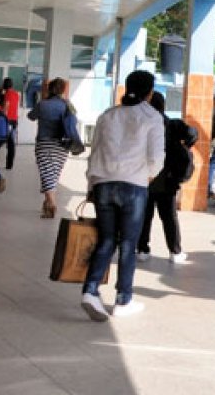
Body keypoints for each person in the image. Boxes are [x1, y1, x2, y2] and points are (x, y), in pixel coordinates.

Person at [80, 70, 164, 321]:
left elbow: (94, 152)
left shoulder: (108, 115)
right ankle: (123, 299)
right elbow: (156, 158)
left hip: (103, 183)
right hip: (134, 185)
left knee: (106, 240)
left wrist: (92, 184)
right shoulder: (152, 117)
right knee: (128, 244)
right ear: (149, 92)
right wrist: (147, 175)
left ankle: (90, 290)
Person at [137, 92, 197, 264]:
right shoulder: (172, 124)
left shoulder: (142, 124)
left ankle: (142, 249)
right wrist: (185, 146)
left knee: (144, 215)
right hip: (167, 180)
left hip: (145, 179)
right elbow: (192, 134)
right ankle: (175, 252)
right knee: (169, 217)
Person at [27, 78, 81, 218]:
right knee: (53, 173)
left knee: (46, 172)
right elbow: (73, 121)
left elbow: (31, 116)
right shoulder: (68, 105)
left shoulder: (43, 104)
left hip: (44, 143)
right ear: (63, 90)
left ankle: (51, 203)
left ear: (49, 89)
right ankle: (47, 204)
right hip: (62, 144)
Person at [0, 77, 20, 170]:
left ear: (4, 85)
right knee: (11, 144)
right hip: (14, 121)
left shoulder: (7, 94)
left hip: (7, 121)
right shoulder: (16, 94)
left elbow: (5, 109)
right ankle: (9, 165)